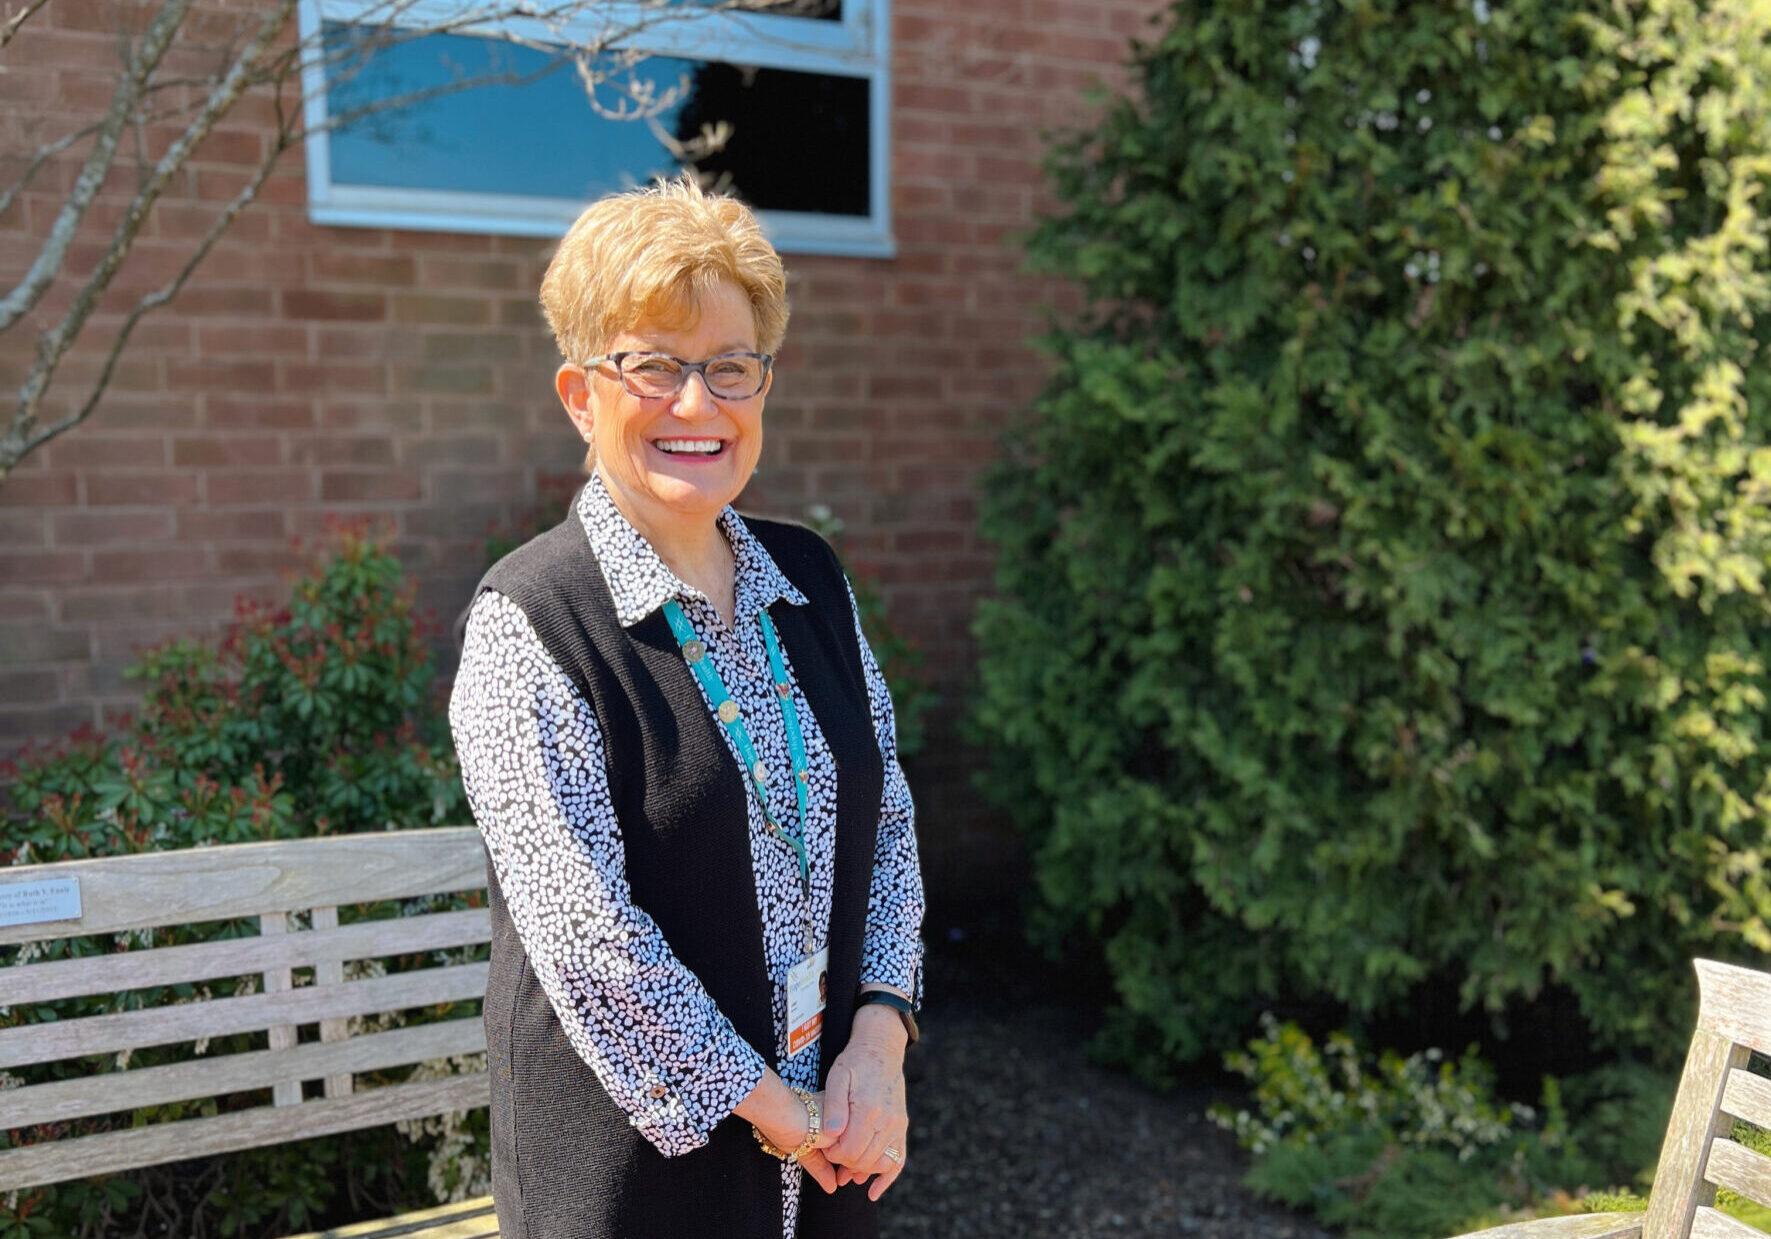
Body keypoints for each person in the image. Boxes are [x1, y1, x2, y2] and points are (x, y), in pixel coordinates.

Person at [448, 174, 925, 1239]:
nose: (698, 406)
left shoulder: (811, 582)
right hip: (638, 1188)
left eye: (729, 367)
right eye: (654, 367)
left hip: (834, 1158)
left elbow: (885, 819)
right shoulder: (531, 623)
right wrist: (786, 1116)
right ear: (581, 395)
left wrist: (880, 1046)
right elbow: (589, 943)